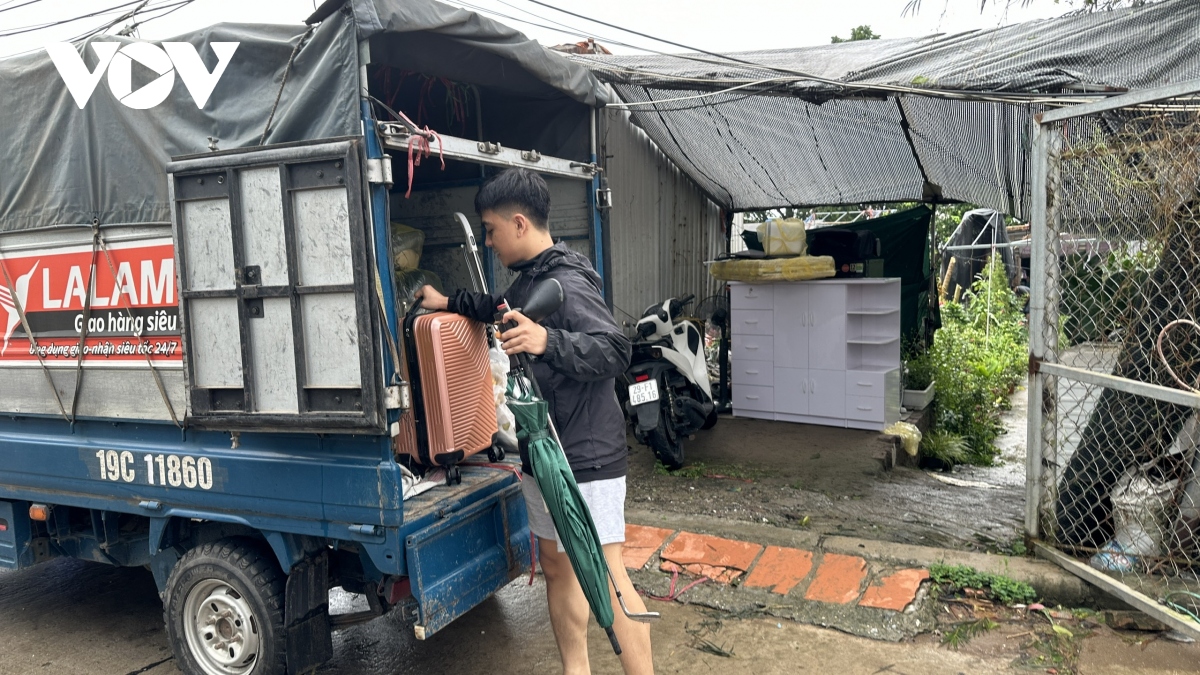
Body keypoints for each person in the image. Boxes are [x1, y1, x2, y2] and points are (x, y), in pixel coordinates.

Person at [415, 168, 653, 675]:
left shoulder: (566, 280)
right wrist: (448, 302)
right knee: (559, 567)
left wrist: (549, 342)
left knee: (605, 573)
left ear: (519, 224)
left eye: (491, 230)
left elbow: (615, 348)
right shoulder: (530, 279)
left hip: (585, 457)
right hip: (543, 449)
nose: (487, 240)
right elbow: (497, 307)